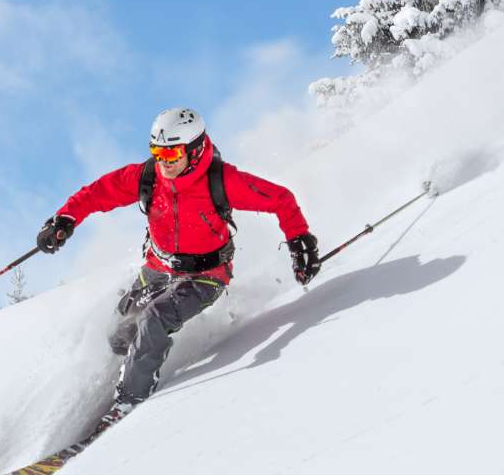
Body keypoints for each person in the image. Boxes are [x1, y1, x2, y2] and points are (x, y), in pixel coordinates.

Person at [35, 107, 317, 426]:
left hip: (205, 277)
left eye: (172, 153)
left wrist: (299, 240)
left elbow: (280, 199)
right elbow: (99, 193)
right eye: (158, 152)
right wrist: (65, 219)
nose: (164, 161)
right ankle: (114, 381)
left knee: (155, 318)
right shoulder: (148, 176)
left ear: (195, 151)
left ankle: (129, 403)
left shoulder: (222, 181)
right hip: (158, 266)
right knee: (121, 330)